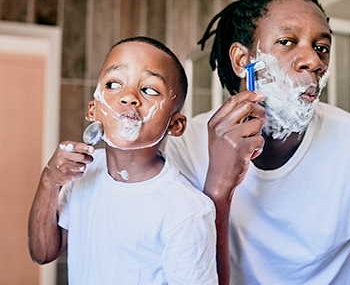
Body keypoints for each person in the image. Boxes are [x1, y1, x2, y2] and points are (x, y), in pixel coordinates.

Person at [165, 0, 350, 284]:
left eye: (321, 47)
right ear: (241, 60)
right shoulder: (184, 146)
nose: (314, 61)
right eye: (287, 41)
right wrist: (219, 188)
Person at [28, 36, 218, 284]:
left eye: (149, 89)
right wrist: (49, 181)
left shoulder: (187, 212)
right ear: (92, 110)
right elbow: (42, 253)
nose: (129, 97)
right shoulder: (84, 171)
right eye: (114, 84)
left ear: (175, 124)